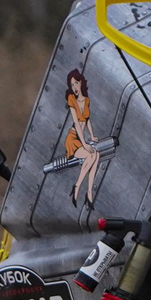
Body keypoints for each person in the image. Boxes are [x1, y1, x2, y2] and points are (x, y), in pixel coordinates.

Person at [61, 67, 105, 206]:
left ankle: (89, 192)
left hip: (82, 139)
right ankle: (77, 186)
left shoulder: (86, 100)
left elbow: (87, 119)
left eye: (76, 83)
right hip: (73, 139)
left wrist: (92, 136)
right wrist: (85, 144)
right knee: (91, 155)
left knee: (96, 156)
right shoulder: (71, 99)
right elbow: (76, 122)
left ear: (81, 83)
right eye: (72, 84)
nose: (74, 87)